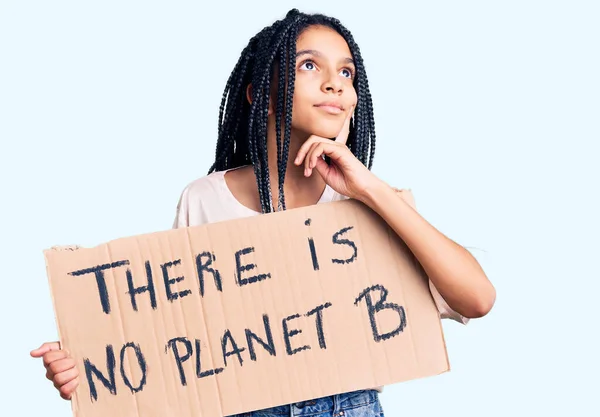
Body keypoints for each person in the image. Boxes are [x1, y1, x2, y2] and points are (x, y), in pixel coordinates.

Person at [30, 8, 496, 417]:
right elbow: (171, 344)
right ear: (262, 94)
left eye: (348, 73)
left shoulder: (371, 206)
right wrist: (87, 368)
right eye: (310, 65)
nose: (335, 82)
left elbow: (477, 299)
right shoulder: (203, 199)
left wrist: (372, 190)